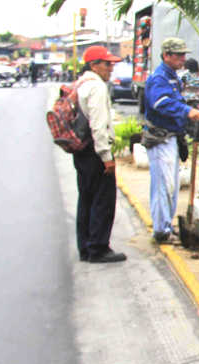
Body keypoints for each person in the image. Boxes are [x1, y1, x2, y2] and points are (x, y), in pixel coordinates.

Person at [144, 37, 199, 244]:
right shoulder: (159, 78)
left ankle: (167, 226)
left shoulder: (173, 77)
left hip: (171, 138)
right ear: (166, 56)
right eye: (178, 55)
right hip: (160, 139)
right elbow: (161, 103)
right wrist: (187, 111)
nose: (183, 58)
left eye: (184, 55)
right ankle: (161, 230)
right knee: (164, 186)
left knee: (171, 186)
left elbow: (176, 101)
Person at [74, 46, 127, 263]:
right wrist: (107, 157)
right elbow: (98, 126)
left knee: (86, 199)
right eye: (107, 64)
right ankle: (98, 248)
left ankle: (85, 247)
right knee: (103, 201)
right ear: (94, 65)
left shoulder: (81, 83)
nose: (111, 68)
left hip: (81, 149)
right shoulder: (96, 87)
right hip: (95, 151)